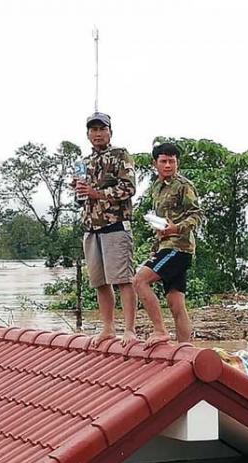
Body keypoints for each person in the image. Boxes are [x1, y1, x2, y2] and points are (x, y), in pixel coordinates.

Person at [74, 112, 137, 346]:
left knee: (123, 279)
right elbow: (79, 199)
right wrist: (79, 191)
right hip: (91, 227)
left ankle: (129, 329)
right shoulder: (82, 163)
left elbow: (129, 188)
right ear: (88, 134)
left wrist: (97, 193)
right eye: (93, 130)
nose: (97, 133)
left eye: (102, 129)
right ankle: (108, 328)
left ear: (110, 131)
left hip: (115, 225)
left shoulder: (121, 155)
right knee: (99, 282)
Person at [132, 142, 202, 348]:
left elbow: (197, 215)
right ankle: (185, 349)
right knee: (175, 303)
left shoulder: (183, 186)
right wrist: (158, 239)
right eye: (164, 161)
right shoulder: (156, 188)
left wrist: (176, 228)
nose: (168, 165)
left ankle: (160, 330)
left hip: (178, 247)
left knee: (139, 281)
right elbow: (161, 221)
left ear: (177, 163)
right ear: (155, 164)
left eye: (172, 161)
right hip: (164, 246)